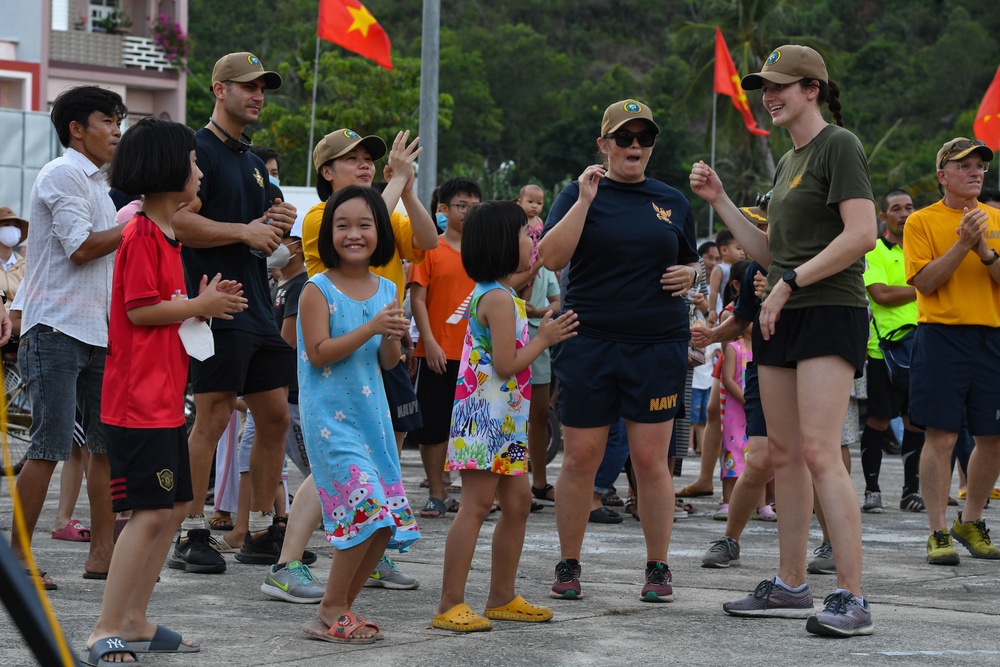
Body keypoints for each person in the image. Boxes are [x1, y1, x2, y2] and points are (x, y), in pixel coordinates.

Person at [690, 44, 877, 637]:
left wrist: (789, 283)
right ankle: (792, 585)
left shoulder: (837, 145)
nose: (768, 96)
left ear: (813, 89)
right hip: (784, 313)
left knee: (822, 452)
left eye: (780, 86)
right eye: (763, 87)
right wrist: (720, 200)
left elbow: (863, 234)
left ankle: (852, 597)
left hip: (827, 309)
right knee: (784, 455)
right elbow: (772, 252)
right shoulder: (787, 161)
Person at [80, 117, 248, 666]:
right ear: (166, 169)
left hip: (163, 398)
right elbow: (140, 310)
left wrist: (197, 300)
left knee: (175, 507)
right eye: (193, 162)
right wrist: (198, 307)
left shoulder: (166, 236)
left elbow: (163, 308)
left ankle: (135, 619)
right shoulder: (140, 236)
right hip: (136, 402)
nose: (199, 170)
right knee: (150, 514)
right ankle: (105, 627)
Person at [540, 98, 699, 603]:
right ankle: (569, 564)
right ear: (603, 144)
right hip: (590, 341)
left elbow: (690, 262)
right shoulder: (577, 193)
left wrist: (691, 274)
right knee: (581, 457)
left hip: (656, 344)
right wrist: (586, 201)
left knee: (650, 460)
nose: (635, 146)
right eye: (624, 138)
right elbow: (549, 256)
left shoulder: (672, 200)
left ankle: (658, 568)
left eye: (644, 138)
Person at [268, 127, 434, 598]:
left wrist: (411, 187)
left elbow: (427, 240)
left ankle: (372, 555)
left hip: (379, 350)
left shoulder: (386, 211)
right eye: (351, 158)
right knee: (336, 465)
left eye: (369, 158)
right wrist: (394, 184)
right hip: (341, 362)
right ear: (325, 171)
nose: (364, 164)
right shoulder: (324, 215)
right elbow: (370, 214)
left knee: (381, 460)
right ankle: (287, 563)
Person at [170, 52, 297, 574]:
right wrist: (246, 230)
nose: (257, 95)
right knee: (215, 412)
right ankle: (189, 529)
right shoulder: (193, 150)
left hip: (260, 305)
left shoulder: (249, 160)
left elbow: (263, 238)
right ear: (219, 90)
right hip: (215, 299)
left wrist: (276, 222)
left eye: (262, 87)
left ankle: (263, 529)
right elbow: (176, 220)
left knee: (275, 416)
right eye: (247, 86)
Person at [432, 200, 577, 632]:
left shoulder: (503, 293)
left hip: (505, 419)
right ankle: (448, 602)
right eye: (523, 234)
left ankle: (501, 595)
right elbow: (506, 364)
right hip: (485, 419)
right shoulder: (496, 298)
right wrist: (545, 337)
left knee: (517, 504)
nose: (531, 240)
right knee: (475, 507)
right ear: (500, 243)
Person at [12, 86, 127, 590]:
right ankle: (16, 560)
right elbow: (81, 248)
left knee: (104, 447)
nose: (117, 130)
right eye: (108, 120)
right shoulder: (62, 173)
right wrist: (140, 223)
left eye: (119, 121)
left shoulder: (100, 185)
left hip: (96, 331)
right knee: (49, 446)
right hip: (55, 328)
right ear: (76, 128)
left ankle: (103, 556)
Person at [297, 186, 420, 644]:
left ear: (380, 232)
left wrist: (393, 335)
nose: (354, 234)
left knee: (384, 521)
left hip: (374, 421)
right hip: (332, 422)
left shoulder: (388, 288)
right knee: (365, 510)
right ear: (328, 234)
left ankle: (339, 607)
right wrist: (372, 325)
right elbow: (318, 353)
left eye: (365, 225)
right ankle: (331, 607)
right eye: (342, 225)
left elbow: (387, 362)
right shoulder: (317, 289)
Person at [904, 137, 1000, 565]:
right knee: (941, 435)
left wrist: (984, 250)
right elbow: (923, 283)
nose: (975, 171)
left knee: (993, 436)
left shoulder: (997, 219)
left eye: (979, 165)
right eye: (964, 166)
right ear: (943, 176)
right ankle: (938, 530)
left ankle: (972, 519)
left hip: (991, 337)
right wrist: (963, 244)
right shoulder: (920, 222)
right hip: (941, 336)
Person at [410, 177, 483, 517]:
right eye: (461, 205)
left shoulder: (484, 252)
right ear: (442, 209)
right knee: (435, 426)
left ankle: (466, 494)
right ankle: (436, 492)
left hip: (476, 357)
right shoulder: (429, 248)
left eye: (474, 206)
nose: (468, 212)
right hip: (438, 353)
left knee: (469, 428)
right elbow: (418, 299)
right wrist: (430, 342)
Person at [860, 189, 925, 513]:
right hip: (882, 351)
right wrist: (925, 284)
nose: (904, 213)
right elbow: (881, 294)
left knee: (915, 422)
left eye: (909, 207)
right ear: (883, 217)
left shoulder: (923, 249)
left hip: (923, 347)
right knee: (879, 421)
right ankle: (872, 490)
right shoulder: (875, 250)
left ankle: (910, 491)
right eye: (896, 209)